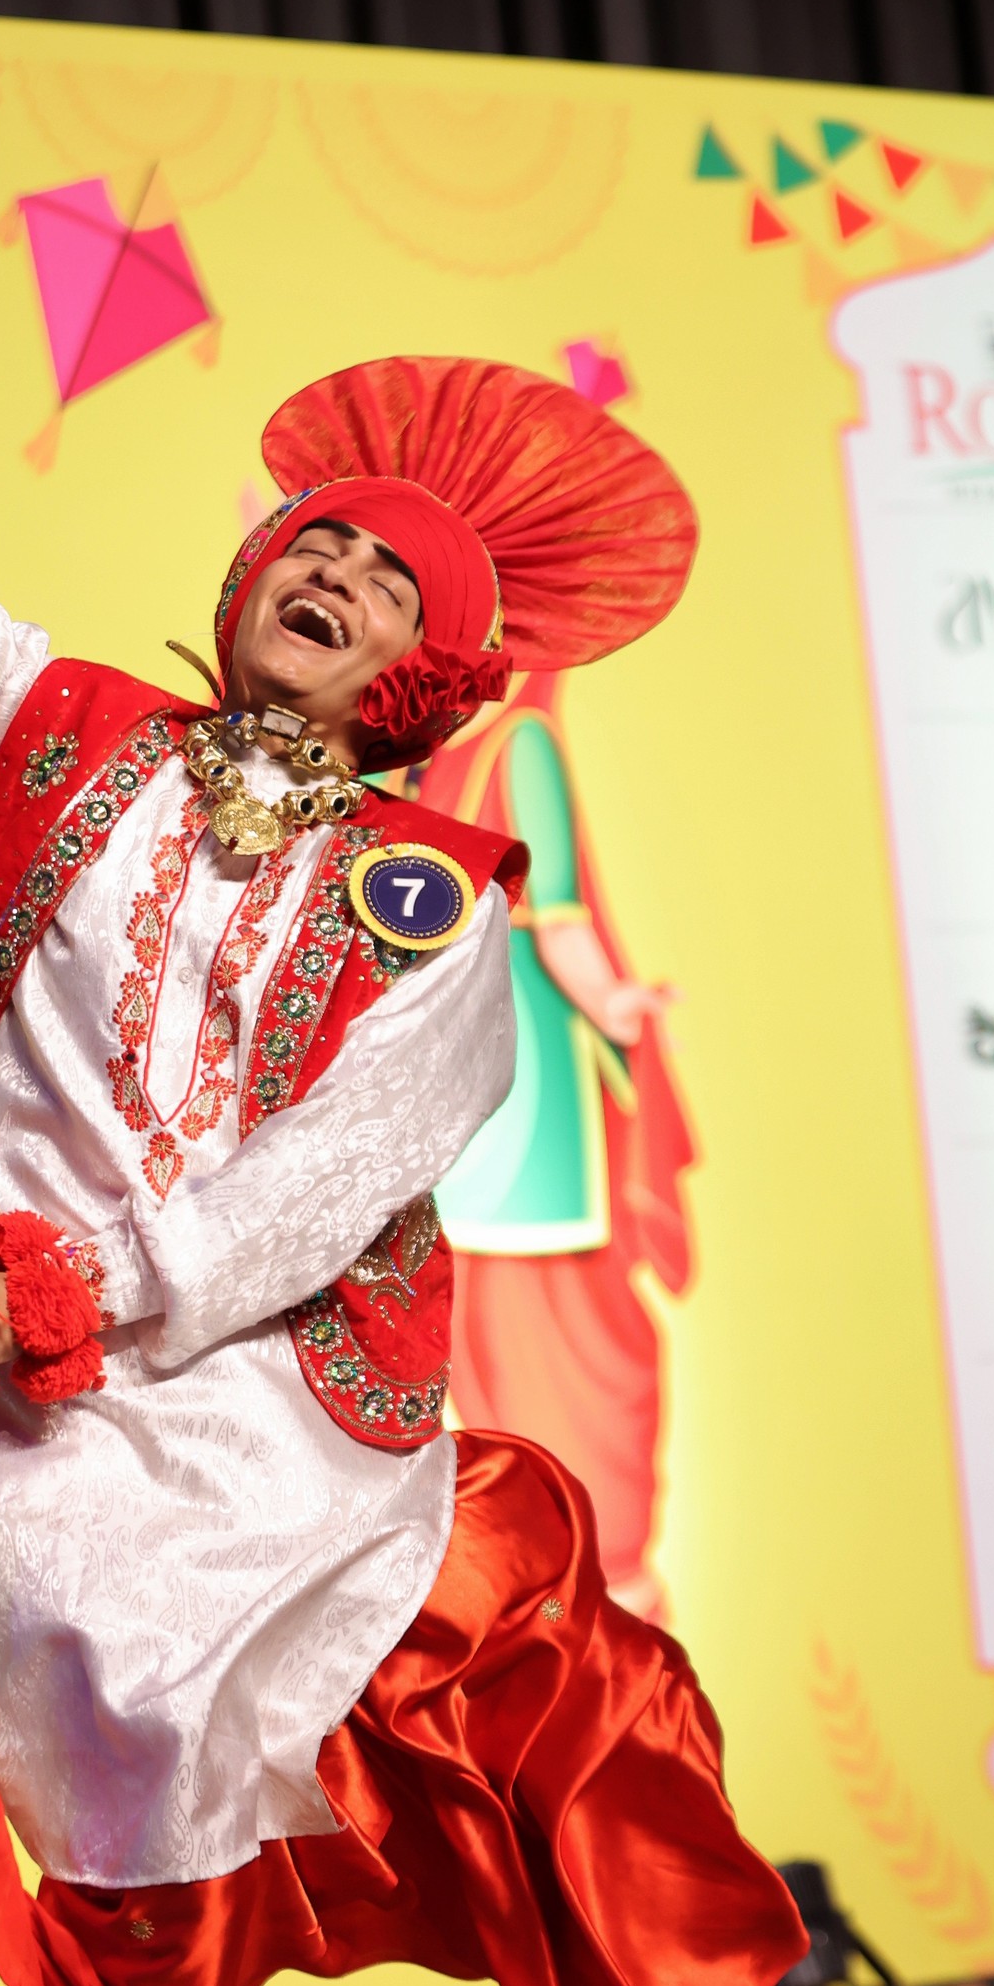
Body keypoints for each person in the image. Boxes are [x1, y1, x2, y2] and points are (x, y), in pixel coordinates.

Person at [0, 134, 886, 1986]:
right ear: (252, 578)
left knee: (572, 1698)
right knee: (146, 1872)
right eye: (314, 540)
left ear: (421, 668)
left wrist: (72, 1278)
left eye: (382, 571)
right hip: (73, 1468)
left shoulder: (425, 902)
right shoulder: (55, 733)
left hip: (294, 1425)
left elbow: (328, 1177)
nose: (333, 565)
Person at [417, 667, 695, 1618]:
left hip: (459, 1072)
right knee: (566, 1338)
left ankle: (559, 1580)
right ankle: (602, 1584)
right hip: (525, 1085)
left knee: (504, 1343)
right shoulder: (517, 743)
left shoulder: (428, 762)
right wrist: (621, 1006)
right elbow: (565, 924)